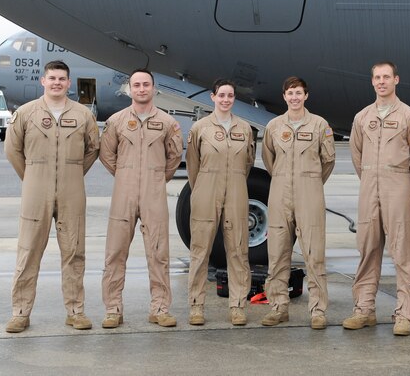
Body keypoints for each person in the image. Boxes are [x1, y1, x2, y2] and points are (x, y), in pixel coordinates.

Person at [4, 60, 100, 333]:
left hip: (73, 189)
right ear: (43, 81)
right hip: (36, 186)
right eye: (52, 78)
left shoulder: (83, 115)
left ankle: (75, 311)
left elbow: (93, 149)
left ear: (69, 83)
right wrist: (33, 176)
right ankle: (20, 312)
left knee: (74, 252)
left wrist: (73, 173)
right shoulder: (25, 113)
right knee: (28, 251)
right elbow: (12, 150)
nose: (57, 83)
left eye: (62, 79)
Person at [343, 61, 410, 336]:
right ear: (372, 82)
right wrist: (370, 177)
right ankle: (364, 309)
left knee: (402, 252)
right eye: (377, 78)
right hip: (369, 186)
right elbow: (356, 155)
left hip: (398, 186)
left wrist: (404, 183)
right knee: (367, 248)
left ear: (396, 80)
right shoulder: (362, 117)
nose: (382, 82)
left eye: (386, 77)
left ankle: (404, 314)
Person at [99, 69, 183, 328]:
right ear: (130, 89)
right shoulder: (116, 121)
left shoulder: (168, 123)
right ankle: (113, 308)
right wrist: (125, 174)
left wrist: (155, 178)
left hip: (154, 193)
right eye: (137, 85)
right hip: (123, 192)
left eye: (146, 84)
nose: (142, 89)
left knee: (158, 252)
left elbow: (174, 157)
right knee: (115, 252)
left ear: (154, 88)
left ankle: (159, 308)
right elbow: (106, 154)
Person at [261, 77, 336, 329]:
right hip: (280, 192)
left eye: (298, 93)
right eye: (290, 93)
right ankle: (278, 307)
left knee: (314, 253)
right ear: (284, 96)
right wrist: (284, 179)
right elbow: (268, 157)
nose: (294, 97)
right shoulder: (273, 126)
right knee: (278, 251)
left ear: (306, 96)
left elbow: (328, 160)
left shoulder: (319, 125)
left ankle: (317, 310)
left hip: (310, 192)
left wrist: (311, 182)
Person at [185, 79, 255, 326]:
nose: (226, 100)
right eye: (222, 95)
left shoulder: (244, 128)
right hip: (206, 188)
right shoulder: (200, 128)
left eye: (230, 96)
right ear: (213, 97)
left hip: (236, 189)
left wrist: (234, 183)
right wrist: (203, 188)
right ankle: (196, 306)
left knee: (238, 250)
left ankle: (237, 306)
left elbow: (247, 163)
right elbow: (193, 164)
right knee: (200, 250)